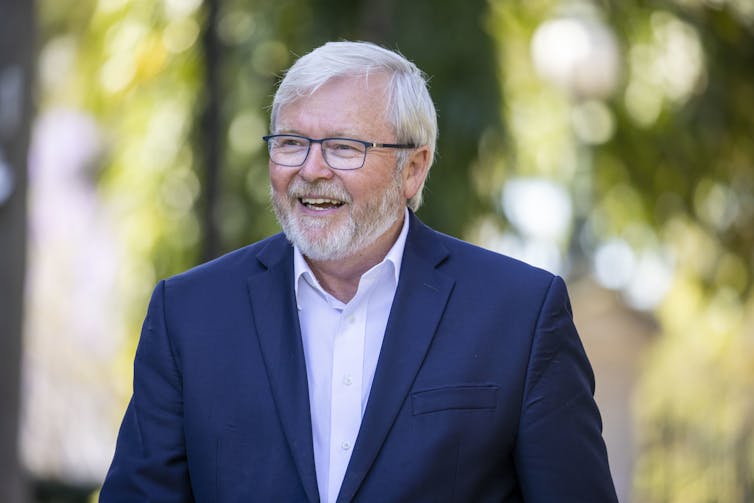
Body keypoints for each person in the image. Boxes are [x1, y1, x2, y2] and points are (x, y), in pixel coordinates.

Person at [101, 41, 618, 502]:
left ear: (412, 169)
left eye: (344, 147)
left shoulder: (519, 315)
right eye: (290, 142)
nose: (311, 169)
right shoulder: (190, 313)